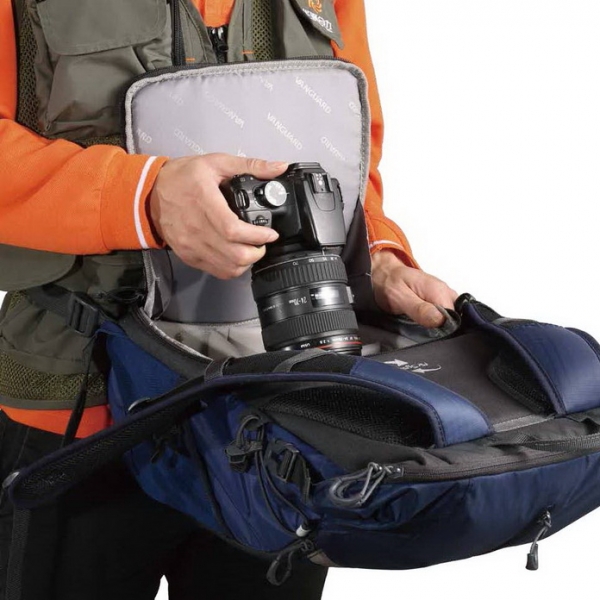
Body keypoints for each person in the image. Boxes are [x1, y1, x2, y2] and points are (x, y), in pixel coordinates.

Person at [0, 0, 457, 598]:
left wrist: (377, 257)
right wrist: (142, 197)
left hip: (282, 417)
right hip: (82, 407)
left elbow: (346, 150)